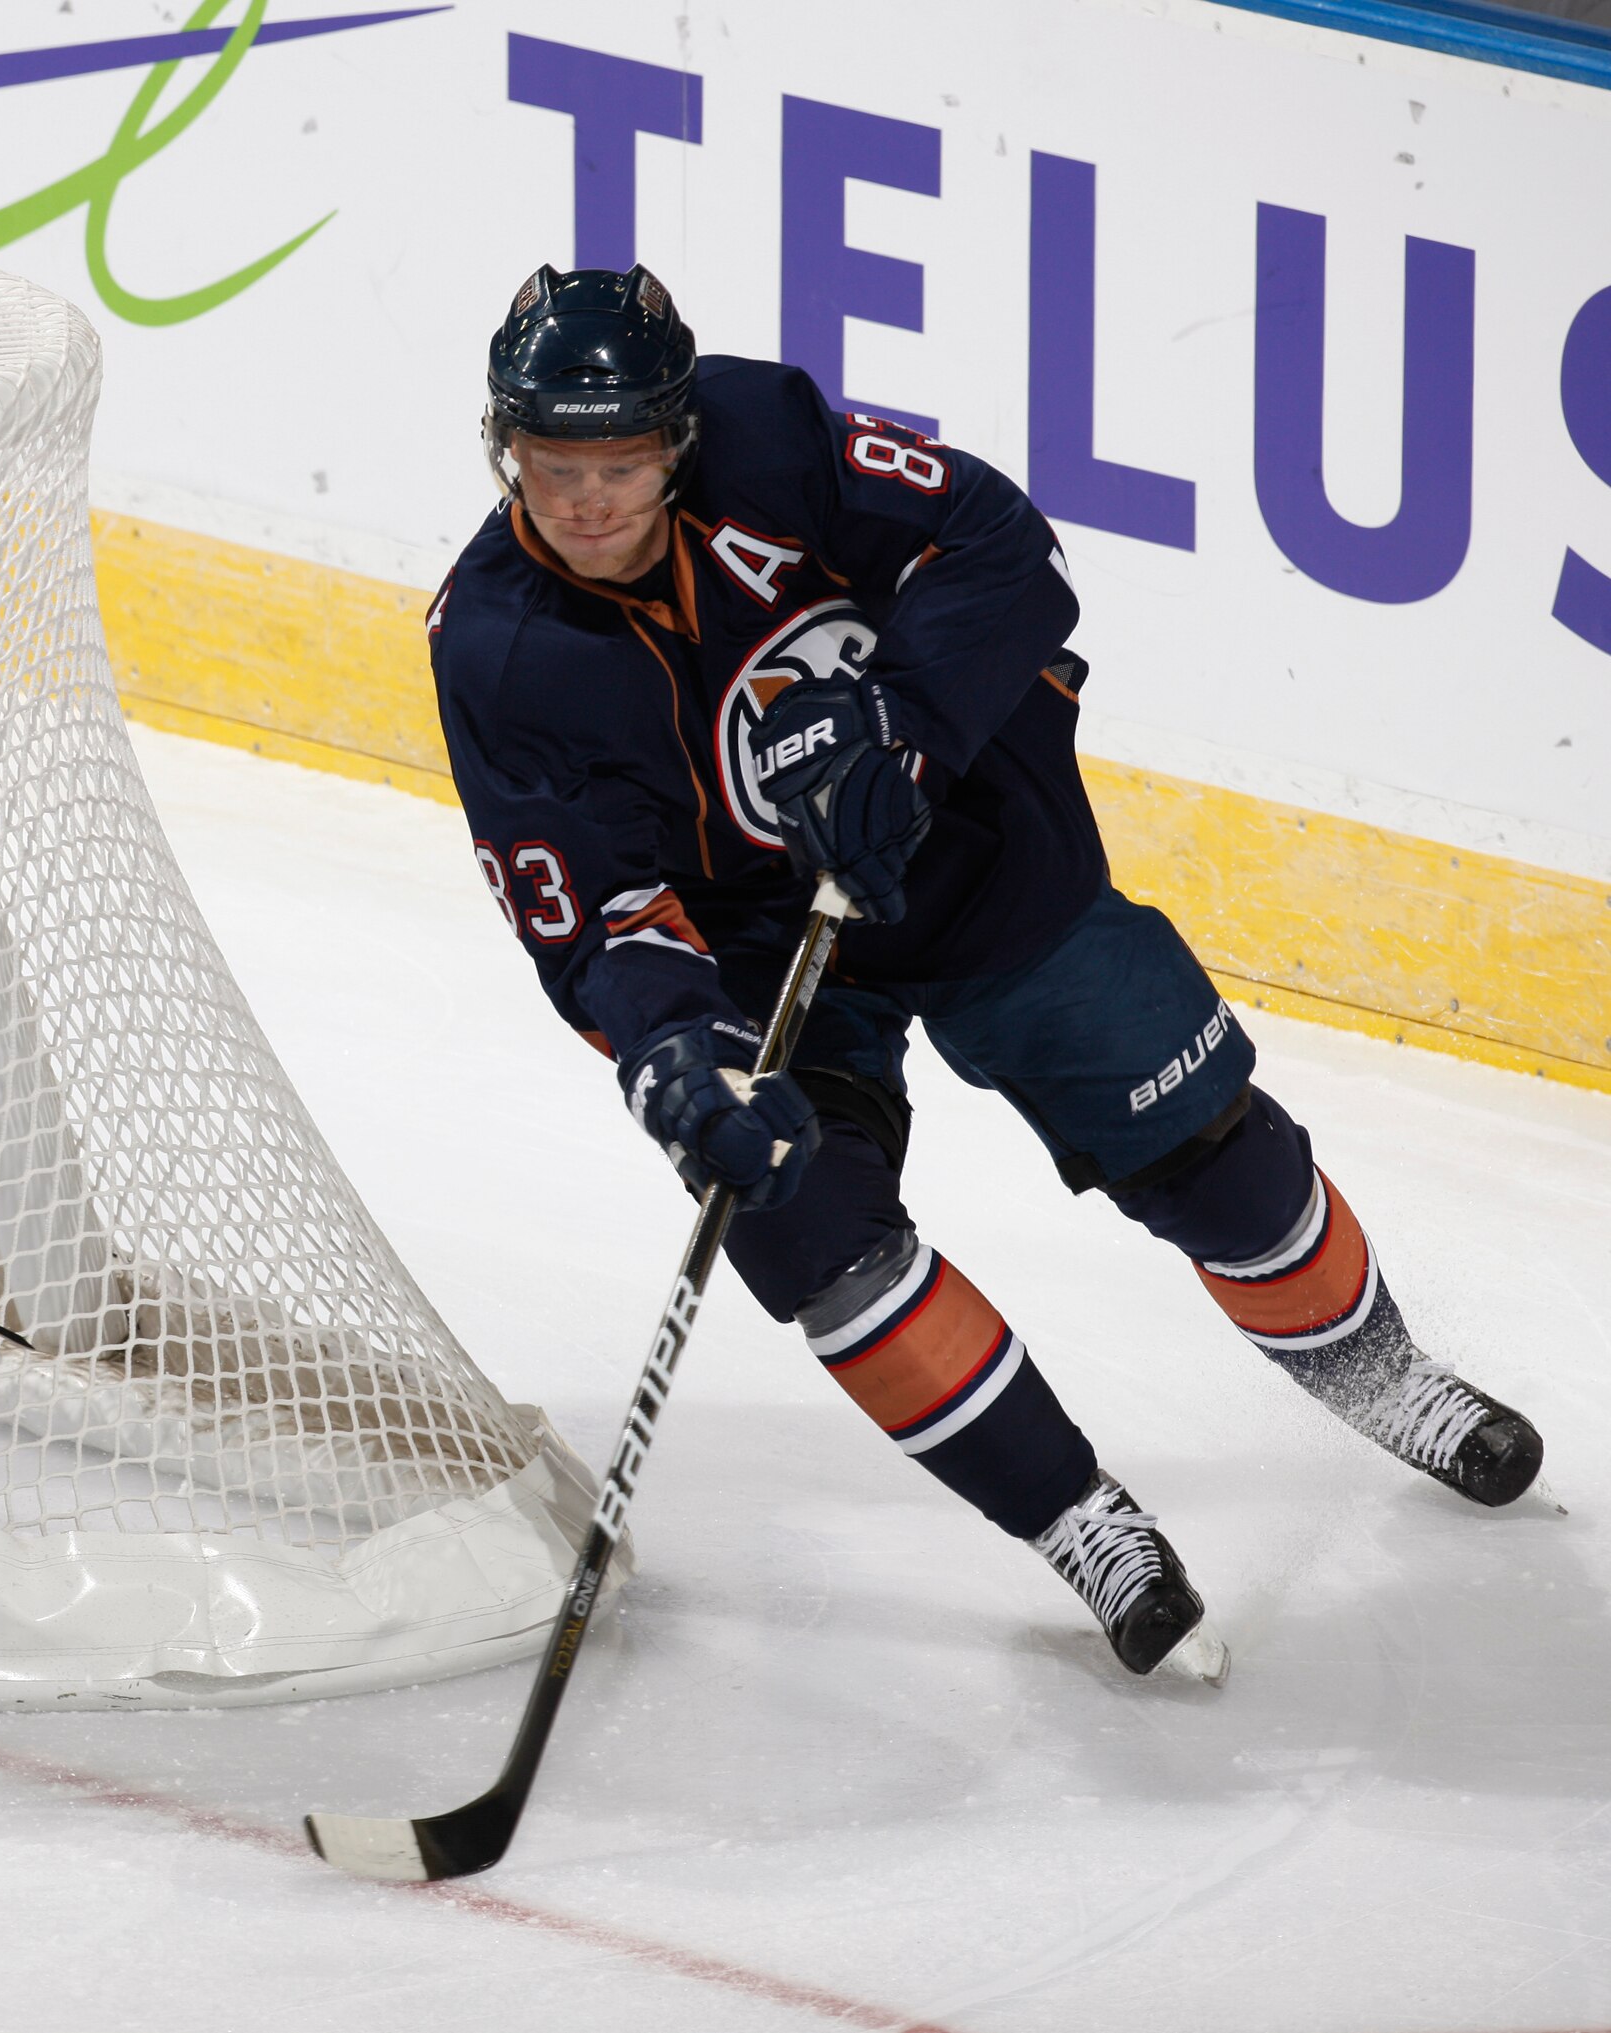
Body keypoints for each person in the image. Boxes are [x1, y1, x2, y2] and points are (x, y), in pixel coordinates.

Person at [427, 265, 1544, 1677]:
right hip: (779, 961)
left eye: (625, 461)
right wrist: (677, 1057)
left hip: (967, 852)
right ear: (502, 445)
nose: (586, 500)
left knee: (1204, 1147)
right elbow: (596, 906)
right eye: (550, 462)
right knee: (801, 1221)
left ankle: (1388, 1377)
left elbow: (1003, 545)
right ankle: (1081, 1521)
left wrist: (899, 728)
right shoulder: (496, 646)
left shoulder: (770, 434)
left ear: (679, 441)